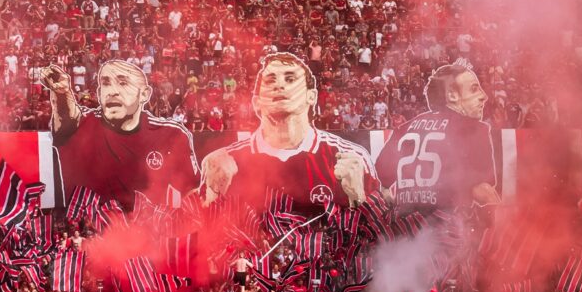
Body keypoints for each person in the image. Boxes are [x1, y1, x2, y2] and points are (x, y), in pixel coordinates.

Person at [200, 52, 377, 215]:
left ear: (312, 96)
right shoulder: (223, 163)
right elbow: (198, 239)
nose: (279, 85)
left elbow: (382, 237)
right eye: (270, 81)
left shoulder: (352, 158)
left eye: (291, 79)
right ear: (256, 102)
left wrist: (358, 198)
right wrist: (212, 198)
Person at [42, 59, 198, 211]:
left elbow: (191, 193)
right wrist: (62, 93)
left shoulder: (171, 135)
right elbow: (67, 119)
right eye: (106, 83)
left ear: (144, 94)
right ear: (99, 92)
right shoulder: (84, 126)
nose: (112, 91)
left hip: (145, 233)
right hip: (88, 232)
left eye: (123, 83)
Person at [376, 61, 501, 211]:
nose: (484, 96)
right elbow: (483, 191)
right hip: (448, 229)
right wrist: (502, 228)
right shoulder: (471, 128)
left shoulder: (403, 129)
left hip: (407, 230)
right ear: (452, 96)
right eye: (474, 89)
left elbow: (379, 184)